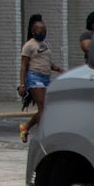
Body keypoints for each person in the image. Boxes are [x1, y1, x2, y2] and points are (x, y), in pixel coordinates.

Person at [18, 14, 64, 142]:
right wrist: (22, 84)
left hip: (46, 76)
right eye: (40, 31)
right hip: (34, 76)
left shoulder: (45, 44)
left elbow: (48, 63)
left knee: (48, 107)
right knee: (43, 106)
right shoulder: (29, 45)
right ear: (33, 31)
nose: (42, 33)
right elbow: (23, 66)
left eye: (44, 31)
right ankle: (41, 132)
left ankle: (27, 127)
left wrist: (60, 70)